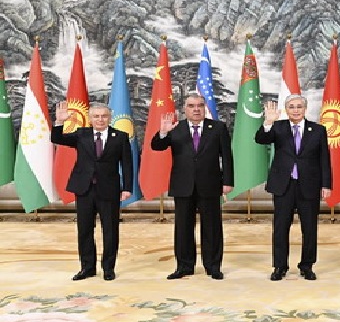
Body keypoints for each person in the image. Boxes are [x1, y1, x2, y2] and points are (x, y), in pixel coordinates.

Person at [151, 93, 234, 280]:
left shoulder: (218, 128)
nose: (196, 109)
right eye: (191, 106)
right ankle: (184, 266)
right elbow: (157, 146)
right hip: (183, 185)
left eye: (199, 105)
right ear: (184, 109)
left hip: (211, 184)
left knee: (212, 227)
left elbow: (227, 156)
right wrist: (163, 132)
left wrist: (228, 181)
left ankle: (213, 266)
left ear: (205, 107)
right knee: (183, 227)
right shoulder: (175, 127)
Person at [51, 101, 133, 281]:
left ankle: (108, 268)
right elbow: (57, 139)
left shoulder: (120, 136)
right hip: (85, 189)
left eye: (104, 116)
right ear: (90, 119)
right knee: (85, 230)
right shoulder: (81, 134)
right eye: (96, 116)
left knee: (110, 231)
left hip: (109, 190)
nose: (100, 119)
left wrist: (127, 188)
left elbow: (127, 164)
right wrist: (59, 122)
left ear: (109, 117)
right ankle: (87, 268)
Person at [255, 95, 332, 281]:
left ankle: (307, 266)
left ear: (305, 109)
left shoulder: (318, 130)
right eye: (291, 107)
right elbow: (261, 139)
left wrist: (326, 184)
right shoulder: (278, 127)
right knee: (280, 228)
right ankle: (280, 266)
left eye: (299, 106)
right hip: (284, 185)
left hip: (309, 186)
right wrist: (267, 122)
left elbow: (324, 159)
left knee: (309, 228)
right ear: (286, 109)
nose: (295, 110)